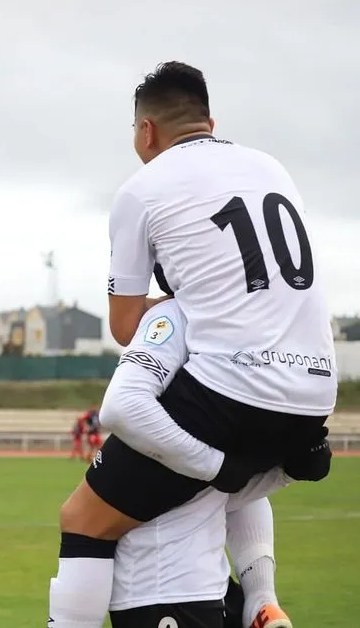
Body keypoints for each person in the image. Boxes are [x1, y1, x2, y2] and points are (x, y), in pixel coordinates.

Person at [48, 61, 336, 628]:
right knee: (232, 479)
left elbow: (125, 325)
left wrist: (176, 303)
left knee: (83, 518)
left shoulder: (142, 188)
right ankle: (261, 601)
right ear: (210, 123)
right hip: (313, 396)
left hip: (235, 386)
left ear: (146, 131)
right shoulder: (270, 166)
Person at [72, 298, 304, 627]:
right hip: (196, 583)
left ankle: (260, 599)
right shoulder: (234, 328)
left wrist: (233, 469)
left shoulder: (188, 319)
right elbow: (230, 483)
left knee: (80, 521)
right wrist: (279, 473)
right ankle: (261, 600)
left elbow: (226, 482)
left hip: (177, 584)